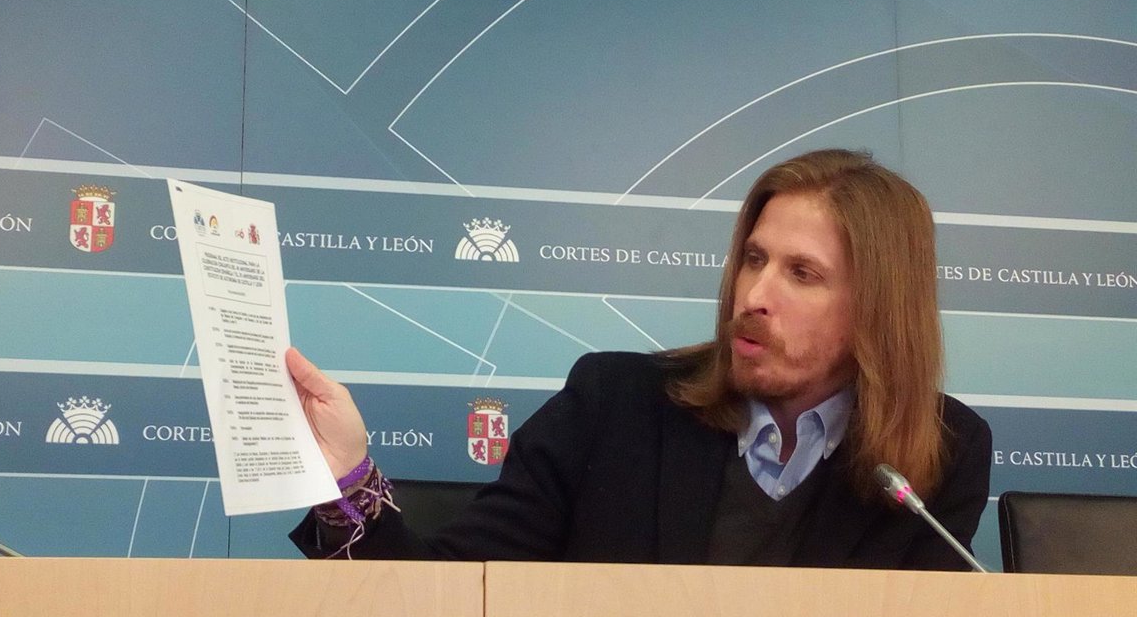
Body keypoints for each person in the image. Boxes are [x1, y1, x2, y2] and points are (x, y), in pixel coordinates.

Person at [287, 148, 992, 570]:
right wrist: (347, 480)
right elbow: (443, 599)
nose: (753, 295)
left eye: (801, 274)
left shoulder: (943, 452)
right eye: (753, 259)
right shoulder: (613, 405)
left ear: (876, 308)